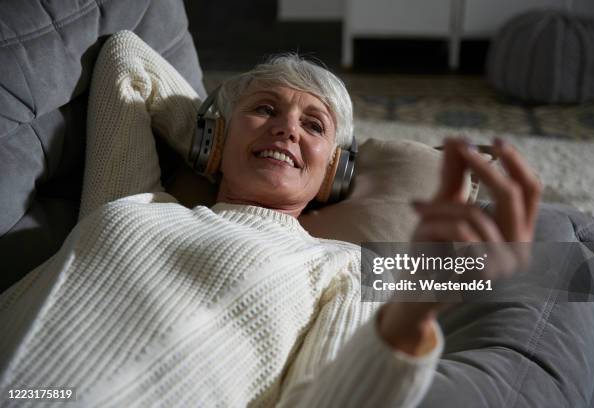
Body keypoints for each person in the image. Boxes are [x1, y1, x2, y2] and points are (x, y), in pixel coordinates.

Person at [0, 31, 541, 407]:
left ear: (335, 173)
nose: (286, 129)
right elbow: (127, 61)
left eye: (314, 124)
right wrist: (205, 134)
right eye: (264, 109)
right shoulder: (130, 197)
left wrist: (409, 320)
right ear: (216, 135)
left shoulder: (340, 268)